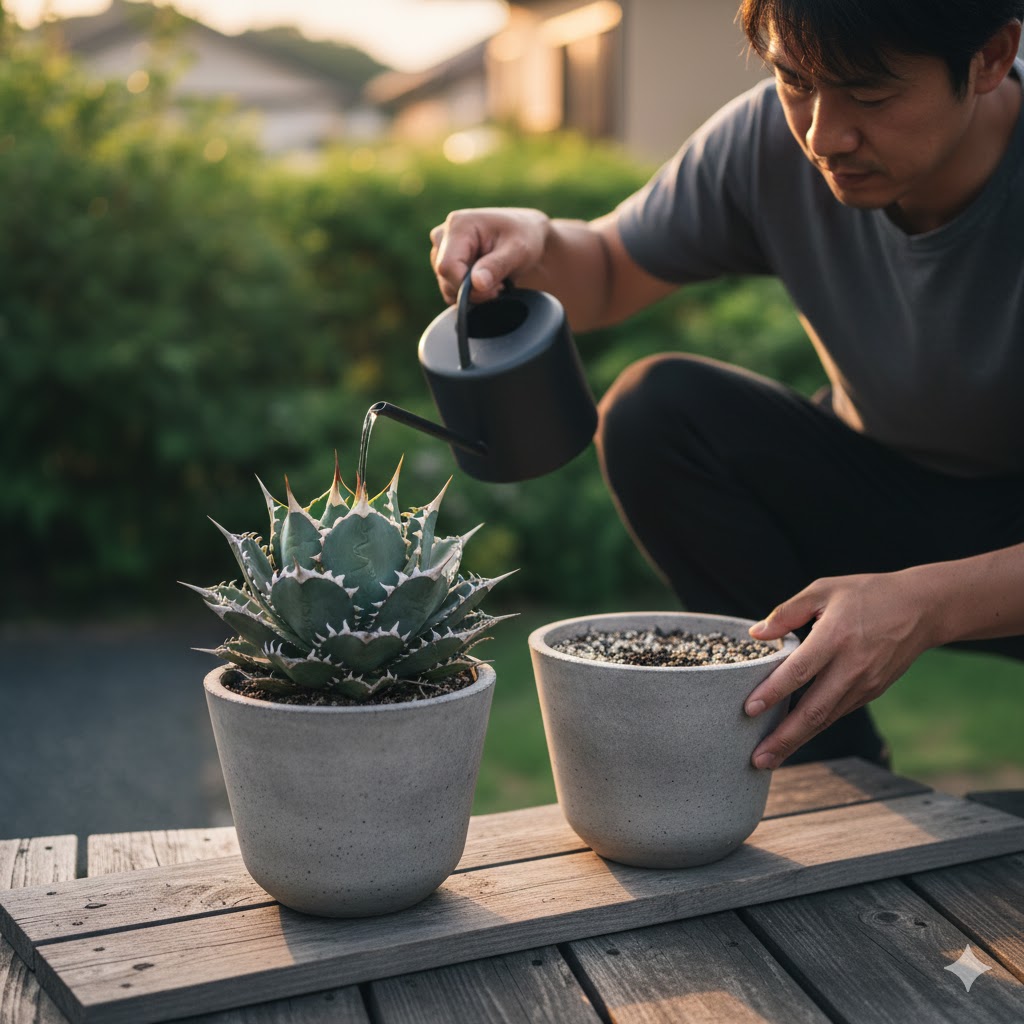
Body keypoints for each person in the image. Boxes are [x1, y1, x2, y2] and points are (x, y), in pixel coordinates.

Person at [429, 0, 1024, 772]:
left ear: (988, 58)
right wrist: (533, 243)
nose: (823, 136)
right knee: (657, 412)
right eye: (795, 80)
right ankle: (832, 773)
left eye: (871, 97)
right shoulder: (767, 143)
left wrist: (930, 601)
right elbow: (608, 268)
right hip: (890, 496)